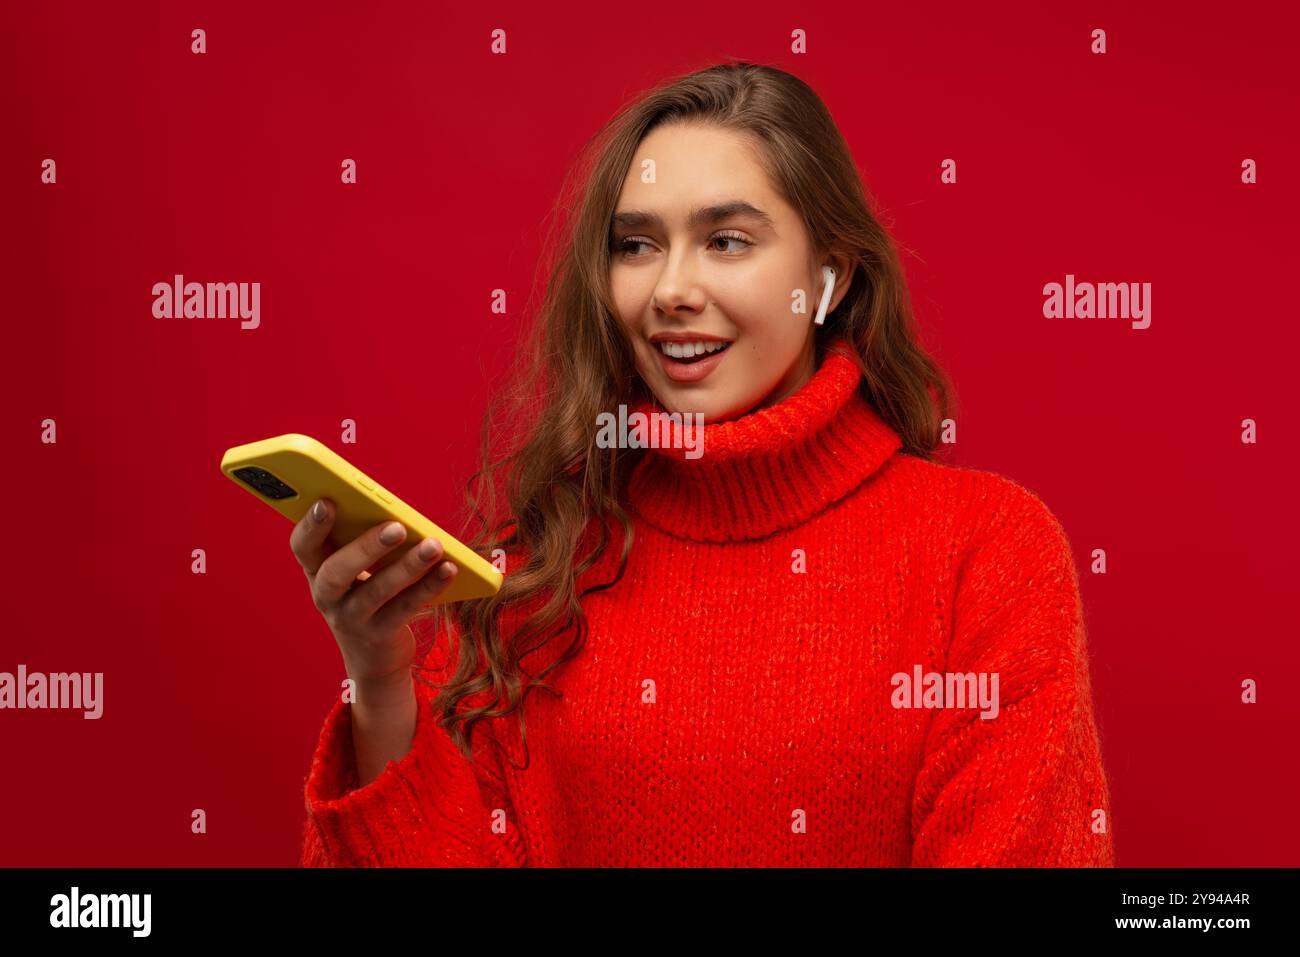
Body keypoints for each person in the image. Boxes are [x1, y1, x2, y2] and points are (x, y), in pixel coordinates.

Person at [293, 60, 1116, 867]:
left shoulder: (988, 552)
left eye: (726, 240)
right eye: (637, 245)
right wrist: (383, 685)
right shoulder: (538, 565)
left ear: (829, 278)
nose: (670, 288)